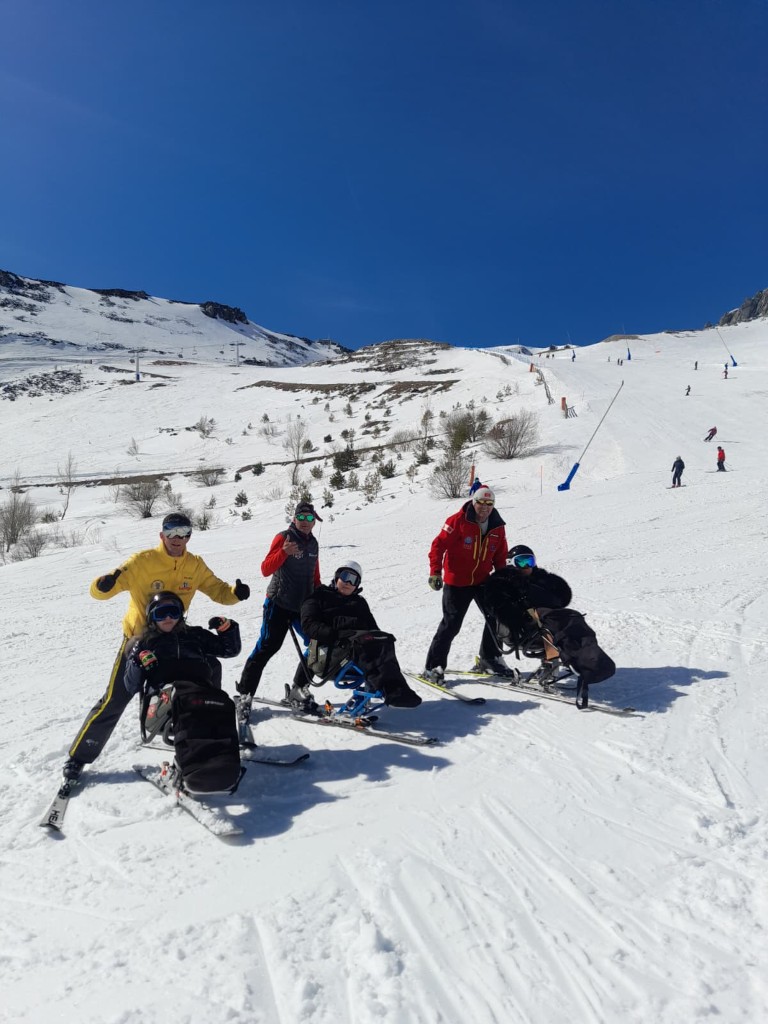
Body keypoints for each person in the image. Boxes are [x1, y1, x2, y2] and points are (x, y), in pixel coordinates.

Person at [63, 512, 250, 780]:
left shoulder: (194, 565)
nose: (177, 538)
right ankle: (78, 758)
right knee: (115, 699)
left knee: (201, 684)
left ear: (189, 536)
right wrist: (102, 586)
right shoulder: (143, 562)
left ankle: (206, 743)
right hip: (140, 640)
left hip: (175, 636)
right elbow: (104, 589)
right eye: (172, 532)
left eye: (183, 533)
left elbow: (217, 589)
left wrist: (234, 594)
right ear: (162, 535)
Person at [125, 592, 243, 794]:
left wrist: (228, 630)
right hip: (163, 701)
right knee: (186, 700)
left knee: (223, 703)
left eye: (174, 612)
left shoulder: (194, 635)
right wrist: (137, 662)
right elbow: (131, 685)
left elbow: (228, 650)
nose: (168, 618)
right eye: (161, 613)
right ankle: (194, 767)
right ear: (152, 617)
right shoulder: (145, 644)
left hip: (196, 692)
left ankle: (224, 763)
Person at [480, 545, 615, 689]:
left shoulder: (541, 580)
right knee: (556, 621)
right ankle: (574, 661)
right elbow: (499, 609)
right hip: (522, 631)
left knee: (573, 619)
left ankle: (590, 662)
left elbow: (561, 599)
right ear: (510, 564)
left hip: (547, 624)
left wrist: (544, 586)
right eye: (521, 562)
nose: (526, 566)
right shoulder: (502, 583)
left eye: (529, 561)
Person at [295, 561, 421, 709]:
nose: (348, 582)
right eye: (345, 576)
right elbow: (309, 625)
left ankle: (397, 689)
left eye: (353, 580)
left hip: (355, 653)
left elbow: (374, 629)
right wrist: (337, 635)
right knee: (364, 645)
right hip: (329, 655)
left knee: (384, 642)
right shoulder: (319, 597)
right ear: (337, 578)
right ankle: (390, 690)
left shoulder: (359, 603)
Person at [423, 485, 508, 682]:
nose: (484, 507)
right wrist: (435, 571)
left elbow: (501, 554)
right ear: (473, 502)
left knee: (497, 617)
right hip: (457, 582)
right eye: (480, 503)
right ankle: (433, 668)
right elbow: (438, 546)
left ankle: (490, 658)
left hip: (482, 580)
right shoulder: (457, 521)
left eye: (489, 504)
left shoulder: (497, 526)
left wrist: (504, 578)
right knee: (451, 625)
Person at [237, 501, 322, 696]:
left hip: (302, 606)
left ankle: (299, 688)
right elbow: (265, 569)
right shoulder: (283, 537)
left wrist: (319, 597)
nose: (305, 521)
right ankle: (245, 693)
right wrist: (284, 552)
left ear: (314, 521)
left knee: (317, 644)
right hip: (279, 604)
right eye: (301, 517)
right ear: (294, 518)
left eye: (309, 518)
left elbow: (314, 575)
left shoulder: (313, 543)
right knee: (267, 647)